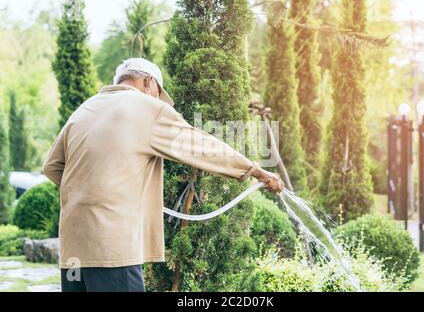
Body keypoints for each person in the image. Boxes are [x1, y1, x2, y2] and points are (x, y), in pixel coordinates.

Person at [43, 58, 284, 292]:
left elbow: (52, 167)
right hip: (113, 249)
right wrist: (255, 170)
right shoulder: (146, 107)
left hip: (73, 252)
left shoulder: (84, 109)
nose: (160, 101)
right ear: (148, 83)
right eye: (159, 94)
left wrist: (90, 188)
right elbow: (201, 146)